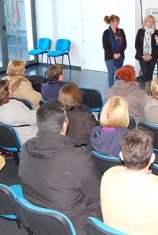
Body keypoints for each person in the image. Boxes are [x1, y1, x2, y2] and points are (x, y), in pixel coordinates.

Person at [19, 99, 102, 235]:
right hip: (74, 225)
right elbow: (98, 192)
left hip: (37, 217)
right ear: (64, 125)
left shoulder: (26, 148)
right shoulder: (80, 159)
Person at [0, 79, 38, 144]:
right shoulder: (15, 108)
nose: (12, 90)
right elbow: (35, 119)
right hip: (26, 138)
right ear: (5, 93)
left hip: (5, 139)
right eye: (10, 89)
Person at [135, 14, 158, 94]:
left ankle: (148, 92)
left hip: (152, 57)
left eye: (152, 22)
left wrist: (151, 56)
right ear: (145, 22)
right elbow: (137, 44)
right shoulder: (140, 31)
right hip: (142, 56)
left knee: (150, 73)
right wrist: (143, 56)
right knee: (145, 73)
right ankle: (149, 92)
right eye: (149, 22)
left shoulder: (156, 32)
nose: (151, 24)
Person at [102, 14, 127, 88]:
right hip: (110, 56)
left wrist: (119, 53)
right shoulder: (106, 33)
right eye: (116, 21)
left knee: (119, 74)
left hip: (120, 56)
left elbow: (124, 44)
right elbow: (105, 46)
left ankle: (118, 88)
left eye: (118, 21)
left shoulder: (121, 31)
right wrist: (113, 54)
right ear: (111, 22)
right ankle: (111, 90)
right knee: (111, 74)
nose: (118, 23)